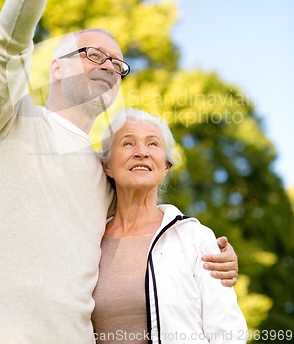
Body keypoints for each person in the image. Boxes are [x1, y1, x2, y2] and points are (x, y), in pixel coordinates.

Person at [0, 0, 238, 343]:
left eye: (118, 62)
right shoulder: (6, 119)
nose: (110, 65)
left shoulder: (104, 174)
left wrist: (211, 256)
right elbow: (8, 44)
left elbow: (147, 227)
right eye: (94, 54)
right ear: (56, 69)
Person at [92, 108, 247, 344]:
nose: (141, 152)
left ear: (165, 167)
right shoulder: (89, 242)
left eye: (152, 144)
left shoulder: (196, 238)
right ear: (107, 165)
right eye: (128, 143)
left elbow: (228, 334)